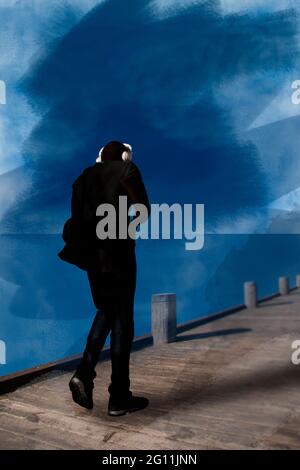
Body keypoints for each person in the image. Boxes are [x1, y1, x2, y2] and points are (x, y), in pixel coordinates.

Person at [58, 140, 151, 416]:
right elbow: (143, 208)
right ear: (124, 156)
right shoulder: (127, 170)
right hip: (119, 254)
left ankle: (85, 375)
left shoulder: (81, 179)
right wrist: (128, 228)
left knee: (107, 311)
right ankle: (118, 397)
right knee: (123, 322)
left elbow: (78, 219)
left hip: (93, 260)